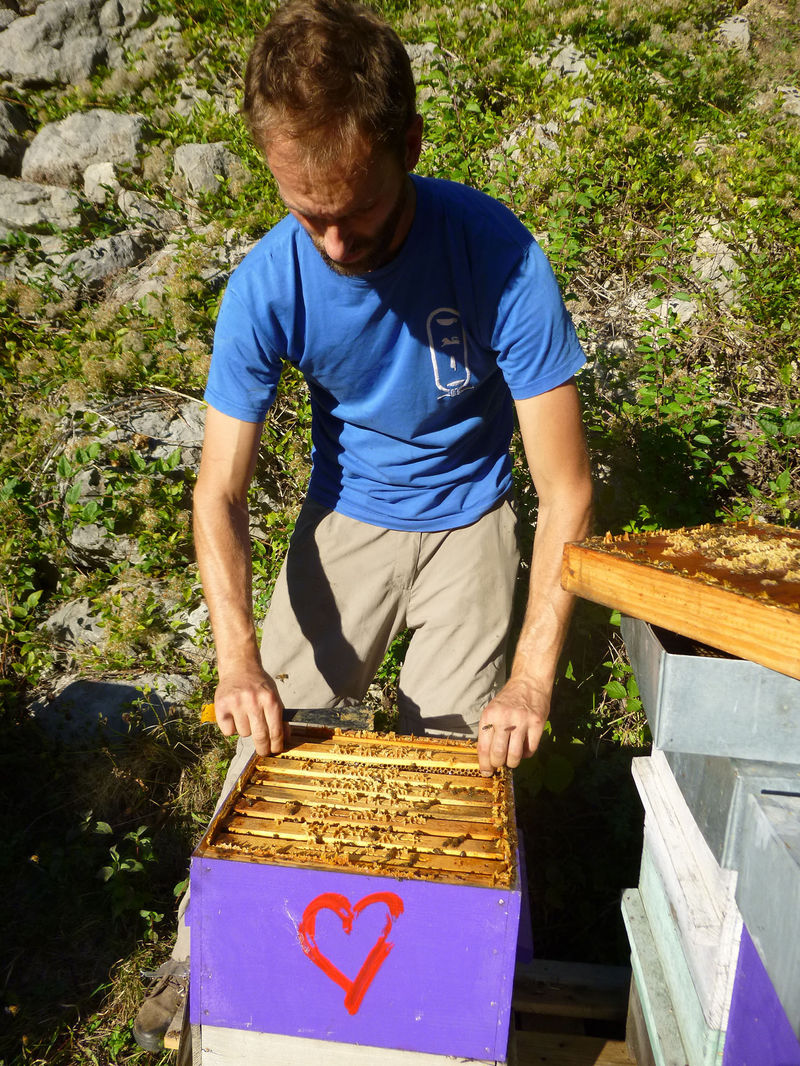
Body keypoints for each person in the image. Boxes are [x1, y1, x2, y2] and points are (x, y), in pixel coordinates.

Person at [133, 0, 593, 1051]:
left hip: (472, 511)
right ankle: (202, 956)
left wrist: (528, 679)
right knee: (269, 741)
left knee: (462, 764)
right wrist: (237, 660)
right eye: (309, 213)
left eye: (359, 211)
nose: (337, 240)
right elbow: (218, 491)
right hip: (346, 516)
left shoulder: (498, 255)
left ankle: (465, 976)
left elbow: (561, 487)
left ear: (408, 146)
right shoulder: (267, 281)